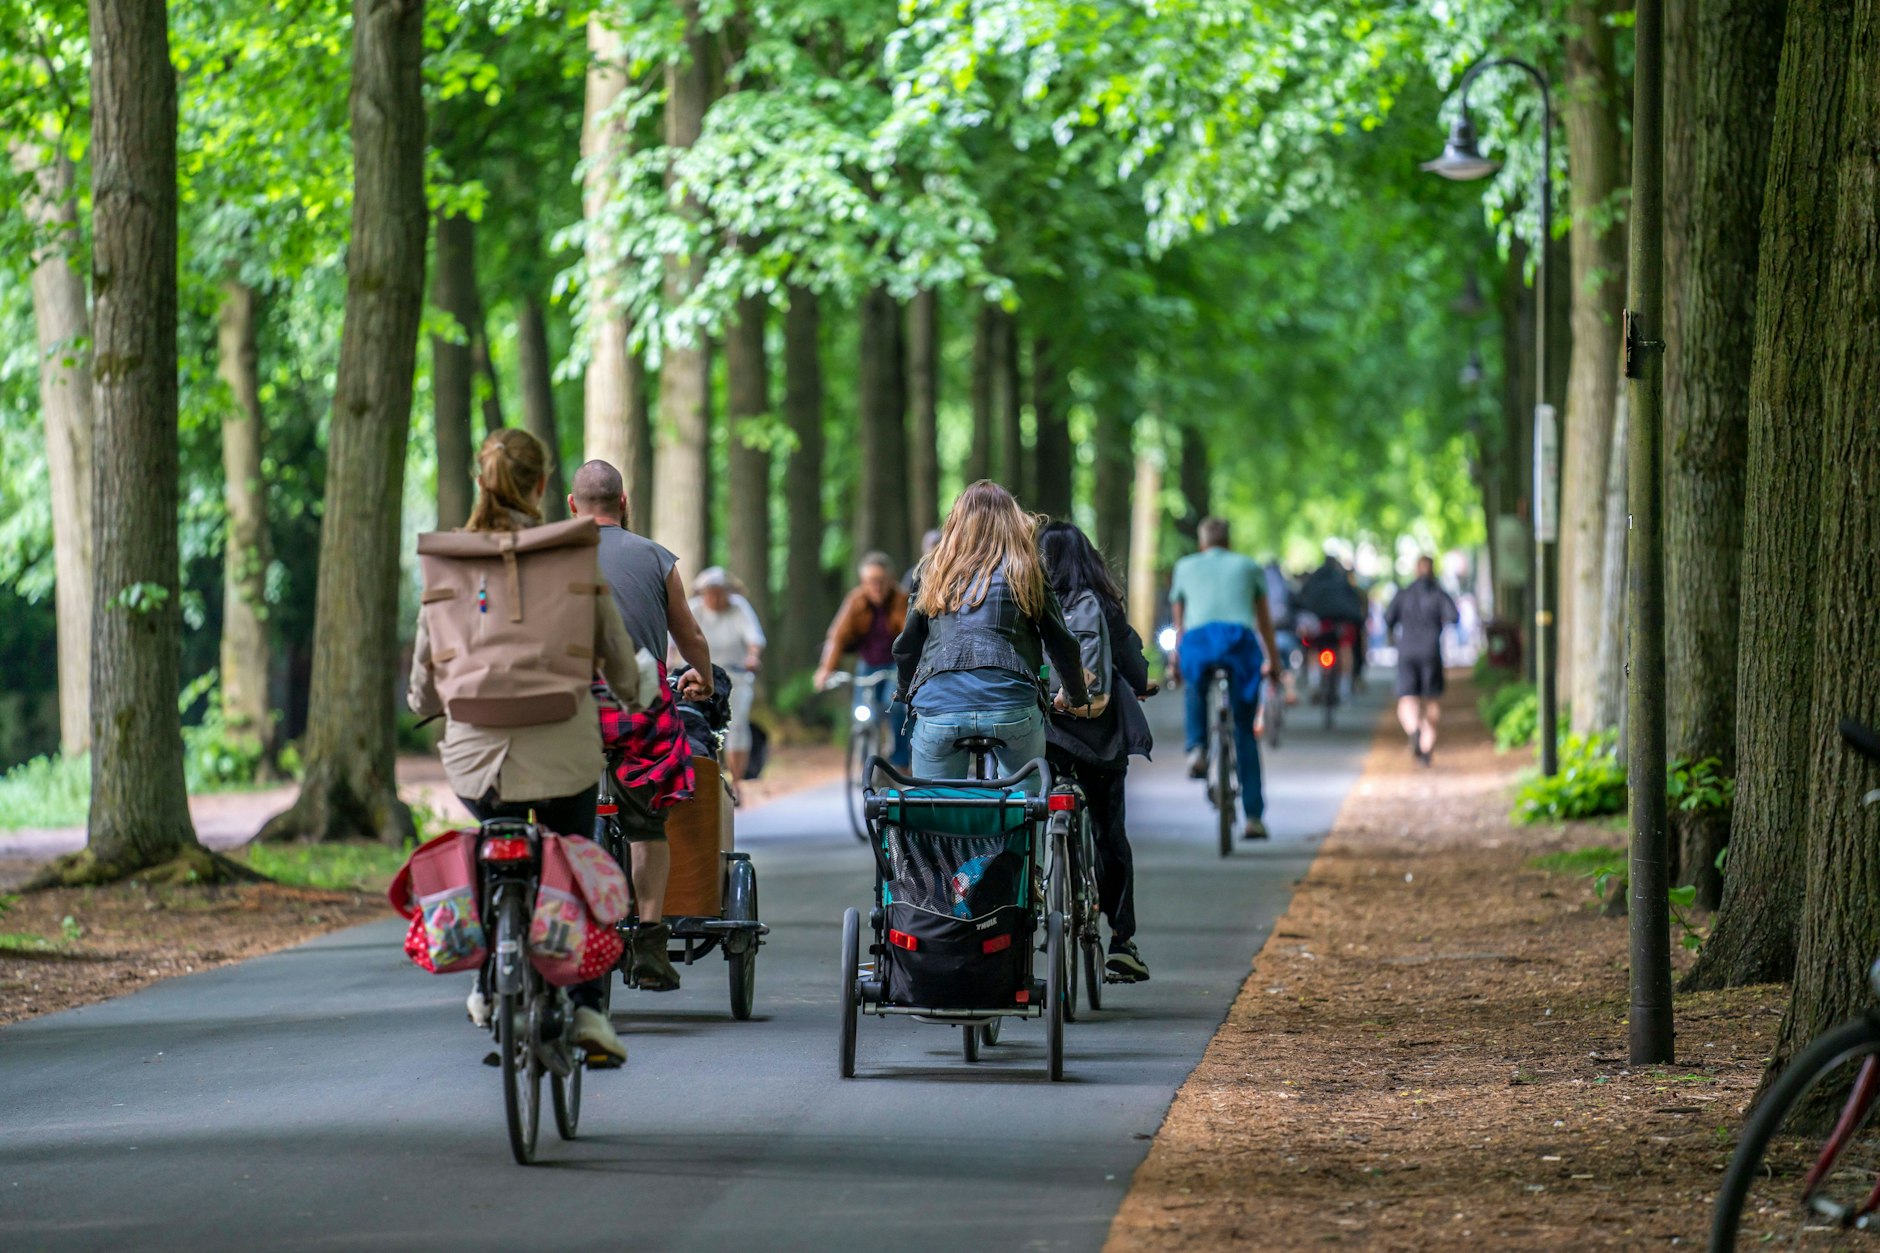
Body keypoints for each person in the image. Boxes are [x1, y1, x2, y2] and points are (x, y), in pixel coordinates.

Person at [408, 430, 639, 1065]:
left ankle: (488, 984)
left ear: (481, 481)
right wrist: (637, 695)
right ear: (543, 488)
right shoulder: (574, 555)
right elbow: (619, 662)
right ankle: (590, 1006)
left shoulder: (446, 561)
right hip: (563, 751)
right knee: (577, 853)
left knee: (493, 843)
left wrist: (428, 705)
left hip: (476, 760)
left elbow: (425, 680)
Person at [566, 459, 712, 993]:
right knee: (648, 821)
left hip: (569, 702)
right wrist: (706, 677)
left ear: (571, 505)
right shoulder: (654, 557)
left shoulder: (550, 555)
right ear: (623, 503)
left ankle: (565, 924)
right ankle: (649, 940)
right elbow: (689, 634)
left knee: (559, 815)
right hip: (637, 696)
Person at [891, 481, 1091, 785]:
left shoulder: (933, 571)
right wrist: (1076, 694)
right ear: (1012, 521)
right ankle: (1020, 827)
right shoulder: (1026, 569)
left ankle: (938, 831)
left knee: (934, 809)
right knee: (1026, 806)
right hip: (1012, 707)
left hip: (939, 707)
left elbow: (908, 645)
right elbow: (1061, 641)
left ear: (957, 522)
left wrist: (905, 693)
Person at [1038, 521, 1156, 982]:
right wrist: (1140, 683)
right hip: (1099, 740)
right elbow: (1131, 663)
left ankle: (1036, 908)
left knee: (1032, 814)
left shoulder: (1026, 606)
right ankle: (1122, 942)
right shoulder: (1103, 605)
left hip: (1044, 737)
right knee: (1110, 835)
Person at [1168, 517, 1281, 840]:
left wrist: (1177, 659)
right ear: (1228, 543)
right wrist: (1273, 662)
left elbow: (1180, 625)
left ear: (1202, 544)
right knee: (1245, 730)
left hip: (1200, 643)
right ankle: (1254, 817)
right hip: (1238, 643)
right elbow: (1264, 622)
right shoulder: (1249, 567)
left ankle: (1197, 749)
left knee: (1195, 688)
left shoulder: (1185, 566)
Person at [813, 552, 912, 768]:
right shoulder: (855, 601)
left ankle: (900, 760)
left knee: (894, 705)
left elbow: (911, 638)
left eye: (881, 581)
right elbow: (837, 637)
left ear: (890, 580)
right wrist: (825, 670)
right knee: (862, 711)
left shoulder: (901, 600)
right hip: (868, 663)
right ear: (863, 582)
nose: (876, 587)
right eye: (870, 582)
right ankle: (866, 756)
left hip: (895, 665)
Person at [685, 566, 764, 799]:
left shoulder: (739, 607)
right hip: (701, 676)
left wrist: (753, 656)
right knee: (702, 726)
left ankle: (737, 781)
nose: (715, 597)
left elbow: (754, 638)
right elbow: (678, 639)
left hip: (735, 676)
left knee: (737, 726)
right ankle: (711, 779)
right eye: (710, 592)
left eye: (720, 592)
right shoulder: (694, 610)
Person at [1385, 555, 1459, 766]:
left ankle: (1414, 729)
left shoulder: (1404, 594)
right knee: (1432, 700)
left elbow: (1388, 618)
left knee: (1407, 699)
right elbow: (1454, 617)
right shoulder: (1439, 594)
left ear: (1416, 570)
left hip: (1406, 650)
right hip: (1431, 652)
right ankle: (1426, 748)